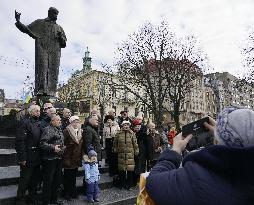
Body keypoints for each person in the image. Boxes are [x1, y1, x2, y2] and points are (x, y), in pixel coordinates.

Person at [146, 107, 254, 205]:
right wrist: (222, 131)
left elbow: (153, 182)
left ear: (217, 139)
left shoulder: (197, 178)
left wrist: (175, 150)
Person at [15, 7, 67, 96]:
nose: (56, 16)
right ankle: (41, 90)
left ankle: (51, 92)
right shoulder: (40, 23)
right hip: (42, 49)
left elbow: (64, 44)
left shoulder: (59, 28)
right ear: (49, 13)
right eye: (54, 14)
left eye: (57, 14)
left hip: (55, 53)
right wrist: (18, 22)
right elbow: (27, 29)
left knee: (53, 72)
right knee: (42, 69)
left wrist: (61, 37)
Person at [15, 105, 42, 205]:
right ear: (30, 112)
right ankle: (20, 200)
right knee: (24, 181)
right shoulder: (25, 123)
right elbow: (20, 141)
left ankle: (32, 199)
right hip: (28, 156)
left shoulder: (39, 123)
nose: (38, 112)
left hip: (37, 157)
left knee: (34, 180)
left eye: (39, 111)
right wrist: (22, 157)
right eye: (36, 111)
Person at [40, 115, 64, 205]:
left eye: (60, 120)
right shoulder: (48, 129)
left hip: (58, 158)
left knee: (56, 181)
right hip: (49, 159)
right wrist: (53, 147)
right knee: (48, 181)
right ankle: (46, 201)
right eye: (58, 120)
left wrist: (62, 148)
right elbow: (42, 143)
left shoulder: (59, 129)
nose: (60, 121)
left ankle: (54, 200)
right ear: (52, 121)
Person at [113, 121, 139, 190]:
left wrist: (136, 151)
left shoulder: (132, 133)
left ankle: (129, 185)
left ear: (129, 126)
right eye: (124, 125)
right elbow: (115, 143)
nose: (126, 126)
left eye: (127, 125)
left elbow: (135, 144)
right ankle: (122, 184)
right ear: (122, 126)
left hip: (130, 154)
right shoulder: (118, 133)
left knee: (130, 171)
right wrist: (115, 149)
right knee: (122, 171)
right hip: (121, 154)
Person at [62, 116, 83, 201]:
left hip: (76, 158)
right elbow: (63, 143)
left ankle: (73, 192)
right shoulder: (66, 131)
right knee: (67, 176)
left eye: (78, 122)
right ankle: (67, 193)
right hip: (68, 157)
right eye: (74, 122)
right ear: (71, 122)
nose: (76, 123)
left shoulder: (81, 131)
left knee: (74, 176)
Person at [132, 119, 147, 184]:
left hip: (142, 152)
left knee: (141, 166)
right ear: (133, 127)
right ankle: (135, 180)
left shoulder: (143, 134)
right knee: (135, 166)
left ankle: (141, 181)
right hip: (134, 152)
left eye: (139, 126)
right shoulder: (132, 133)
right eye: (136, 126)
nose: (138, 127)